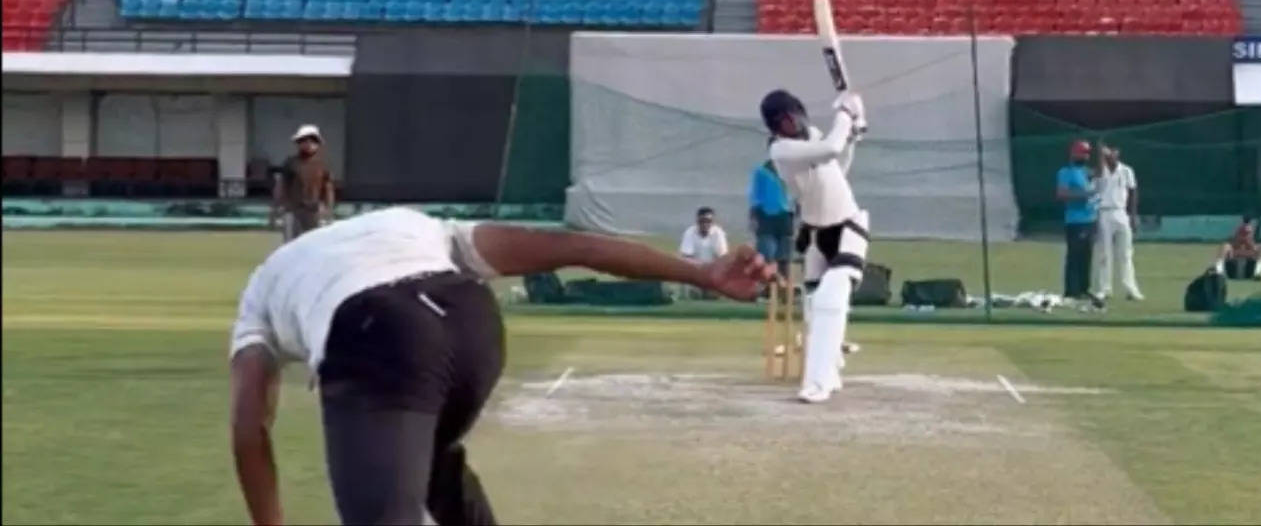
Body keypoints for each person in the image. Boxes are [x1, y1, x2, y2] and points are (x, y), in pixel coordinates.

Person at [229, 207, 773, 526]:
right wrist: (703, 275)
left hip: (379, 335)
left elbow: (250, 428)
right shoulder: (410, 224)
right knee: (435, 462)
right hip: (472, 326)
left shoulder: (263, 284)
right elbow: (572, 247)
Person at [760, 88, 869, 404]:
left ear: (799, 111)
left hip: (849, 224)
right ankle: (830, 370)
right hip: (815, 233)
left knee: (831, 300)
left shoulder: (816, 137)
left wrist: (853, 136)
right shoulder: (781, 151)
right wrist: (846, 116)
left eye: (791, 115)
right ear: (774, 127)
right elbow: (830, 150)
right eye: (781, 121)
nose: (789, 123)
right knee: (815, 309)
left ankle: (817, 383)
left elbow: (838, 166)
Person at [1093, 143, 1144, 301]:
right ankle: (1104, 289)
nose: (1110, 155)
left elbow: (1133, 191)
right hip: (1104, 212)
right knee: (1104, 253)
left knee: (1126, 253)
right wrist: (1101, 158)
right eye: (1107, 153)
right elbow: (1098, 181)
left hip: (1121, 212)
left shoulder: (1126, 171)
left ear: (1118, 153)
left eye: (1112, 152)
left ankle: (1131, 288)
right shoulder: (1100, 170)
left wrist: (1133, 216)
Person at [1055, 139, 1102, 307]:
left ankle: (1084, 288)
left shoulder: (1085, 172)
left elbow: (1101, 173)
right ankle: (1071, 290)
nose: (1085, 156)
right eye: (1083, 153)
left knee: (1086, 255)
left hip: (1090, 219)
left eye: (1087, 153)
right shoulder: (1066, 172)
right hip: (1076, 220)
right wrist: (1084, 195)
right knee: (1075, 255)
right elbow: (1061, 194)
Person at [269, 124, 334, 242]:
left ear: (318, 143)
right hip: (293, 210)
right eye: (304, 140)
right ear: (298, 143)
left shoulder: (323, 164)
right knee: (290, 245)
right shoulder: (291, 163)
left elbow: (328, 188)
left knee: (313, 245)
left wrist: (328, 209)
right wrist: (274, 208)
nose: (308, 143)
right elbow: (281, 186)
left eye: (313, 140)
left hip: (314, 212)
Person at [749, 157, 794, 286]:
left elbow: (798, 193)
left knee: (784, 257)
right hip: (765, 216)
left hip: (785, 216)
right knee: (766, 254)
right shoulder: (761, 171)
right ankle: (767, 287)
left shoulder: (790, 170)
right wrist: (753, 217)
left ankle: (785, 288)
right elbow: (754, 196)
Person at [677, 207, 730, 299]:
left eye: (708, 221)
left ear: (713, 222)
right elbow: (687, 257)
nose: (705, 224)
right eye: (702, 221)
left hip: (713, 273)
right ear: (697, 221)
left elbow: (722, 258)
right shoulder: (689, 233)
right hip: (695, 273)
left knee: (712, 295)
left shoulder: (718, 233)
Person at [1214, 215, 1261, 280]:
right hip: (1232, 269)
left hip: (1249, 268)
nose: (1245, 235)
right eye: (1243, 232)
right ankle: (1219, 273)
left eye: (1247, 233)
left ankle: (1257, 273)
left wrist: (1251, 247)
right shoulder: (1233, 246)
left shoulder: (1252, 246)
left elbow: (1252, 247)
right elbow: (1235, 245)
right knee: (1225, 246)